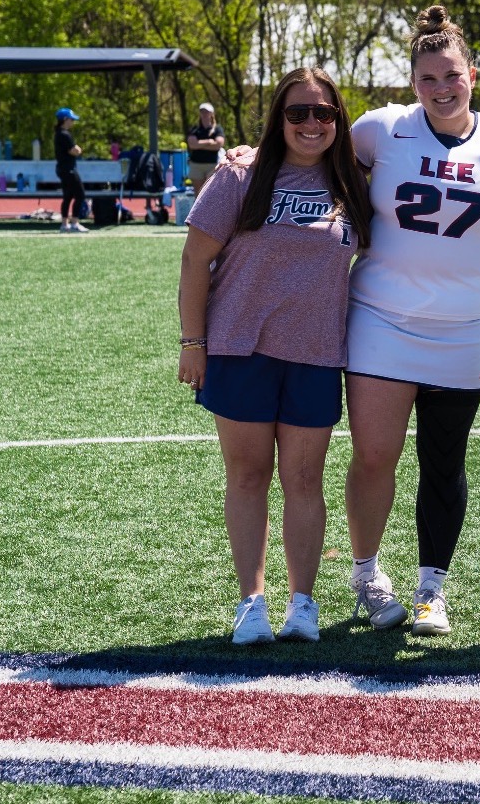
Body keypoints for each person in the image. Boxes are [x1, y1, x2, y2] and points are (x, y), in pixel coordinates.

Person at [338, 6, 480, 635]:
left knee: (444, 462)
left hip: (464, 323)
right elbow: (315, 152)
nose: (442, 89)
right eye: (428, 80)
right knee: (374, 456)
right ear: (412, 85)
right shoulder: (381, 129)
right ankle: (366, 575)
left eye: (452, 75)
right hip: (381, 318)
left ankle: (430, 590)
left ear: (472, 73)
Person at [177, 67, 373, 645]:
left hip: (315, 355)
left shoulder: (354, 181)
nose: (310, 123)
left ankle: (303, 604)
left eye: (323, 113)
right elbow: (194, 261)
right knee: (247, 475)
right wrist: (194, 342)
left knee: (305, 479)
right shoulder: (240, 174)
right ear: (278, 118)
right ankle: (251, 603)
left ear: (338, 120)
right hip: (240, 348)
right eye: (297, 113)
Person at [54, 108, 87, 234]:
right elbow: (75, 151)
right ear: (65, 120)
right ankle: (75, 223)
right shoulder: (64, 135)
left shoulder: (59, 133)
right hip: (69, 170)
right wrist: (78, 149)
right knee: (80, 195)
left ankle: (64, 224)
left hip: (62, 169)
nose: (73, 122)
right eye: (71, 119)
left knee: (67, 196)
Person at [187, 102, 226, 191]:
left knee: (210, 192)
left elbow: (218, 144)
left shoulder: (217, 129)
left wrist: (199, 145)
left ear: (211, 113)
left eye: (207, 112)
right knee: (198, 193)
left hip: (212, 165)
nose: (204, 114)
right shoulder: (194, 129)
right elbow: (192, 144)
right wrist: (209, 141)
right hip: (196, 164)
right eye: (202, 111)